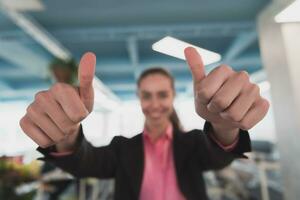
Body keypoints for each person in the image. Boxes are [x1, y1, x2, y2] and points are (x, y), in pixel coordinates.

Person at [19, 47, 269, 200]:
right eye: (147, 95)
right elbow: (86, 164)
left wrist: (224, 125)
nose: (155, 104)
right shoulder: (122, 148)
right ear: (139, 99)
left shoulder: (193, 143)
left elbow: (219, 156)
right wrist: (67, 134)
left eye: (162, 95)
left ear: (172, 97)